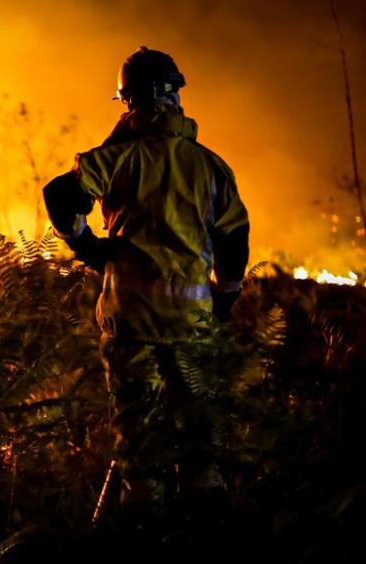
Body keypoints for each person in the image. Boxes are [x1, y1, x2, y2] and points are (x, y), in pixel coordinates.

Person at [42, 47, 250, 516]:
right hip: (192, 323)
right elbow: (234, 237)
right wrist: (228, 295)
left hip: (130, 320)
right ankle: (203, 523)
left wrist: (84, 243)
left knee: (139, 436)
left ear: (129, 101)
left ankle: (143, 527)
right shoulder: (210, 165)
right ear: (176, 95)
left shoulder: (114, 158)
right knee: (199, 428)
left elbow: (59, 194)